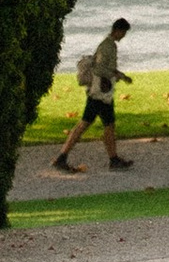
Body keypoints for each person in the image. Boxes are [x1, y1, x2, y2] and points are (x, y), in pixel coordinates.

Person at [49, 16, 135, 173]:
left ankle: (113, 159)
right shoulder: (107, 46)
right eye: (123, 32)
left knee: (107, 125)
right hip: (99, 94)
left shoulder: (109, 45)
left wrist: (120, 75)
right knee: (86, 125)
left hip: (103, 94)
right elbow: (99, 69)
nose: (124, 36)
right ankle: (62, 157)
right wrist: (116, 75)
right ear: (118, 30)